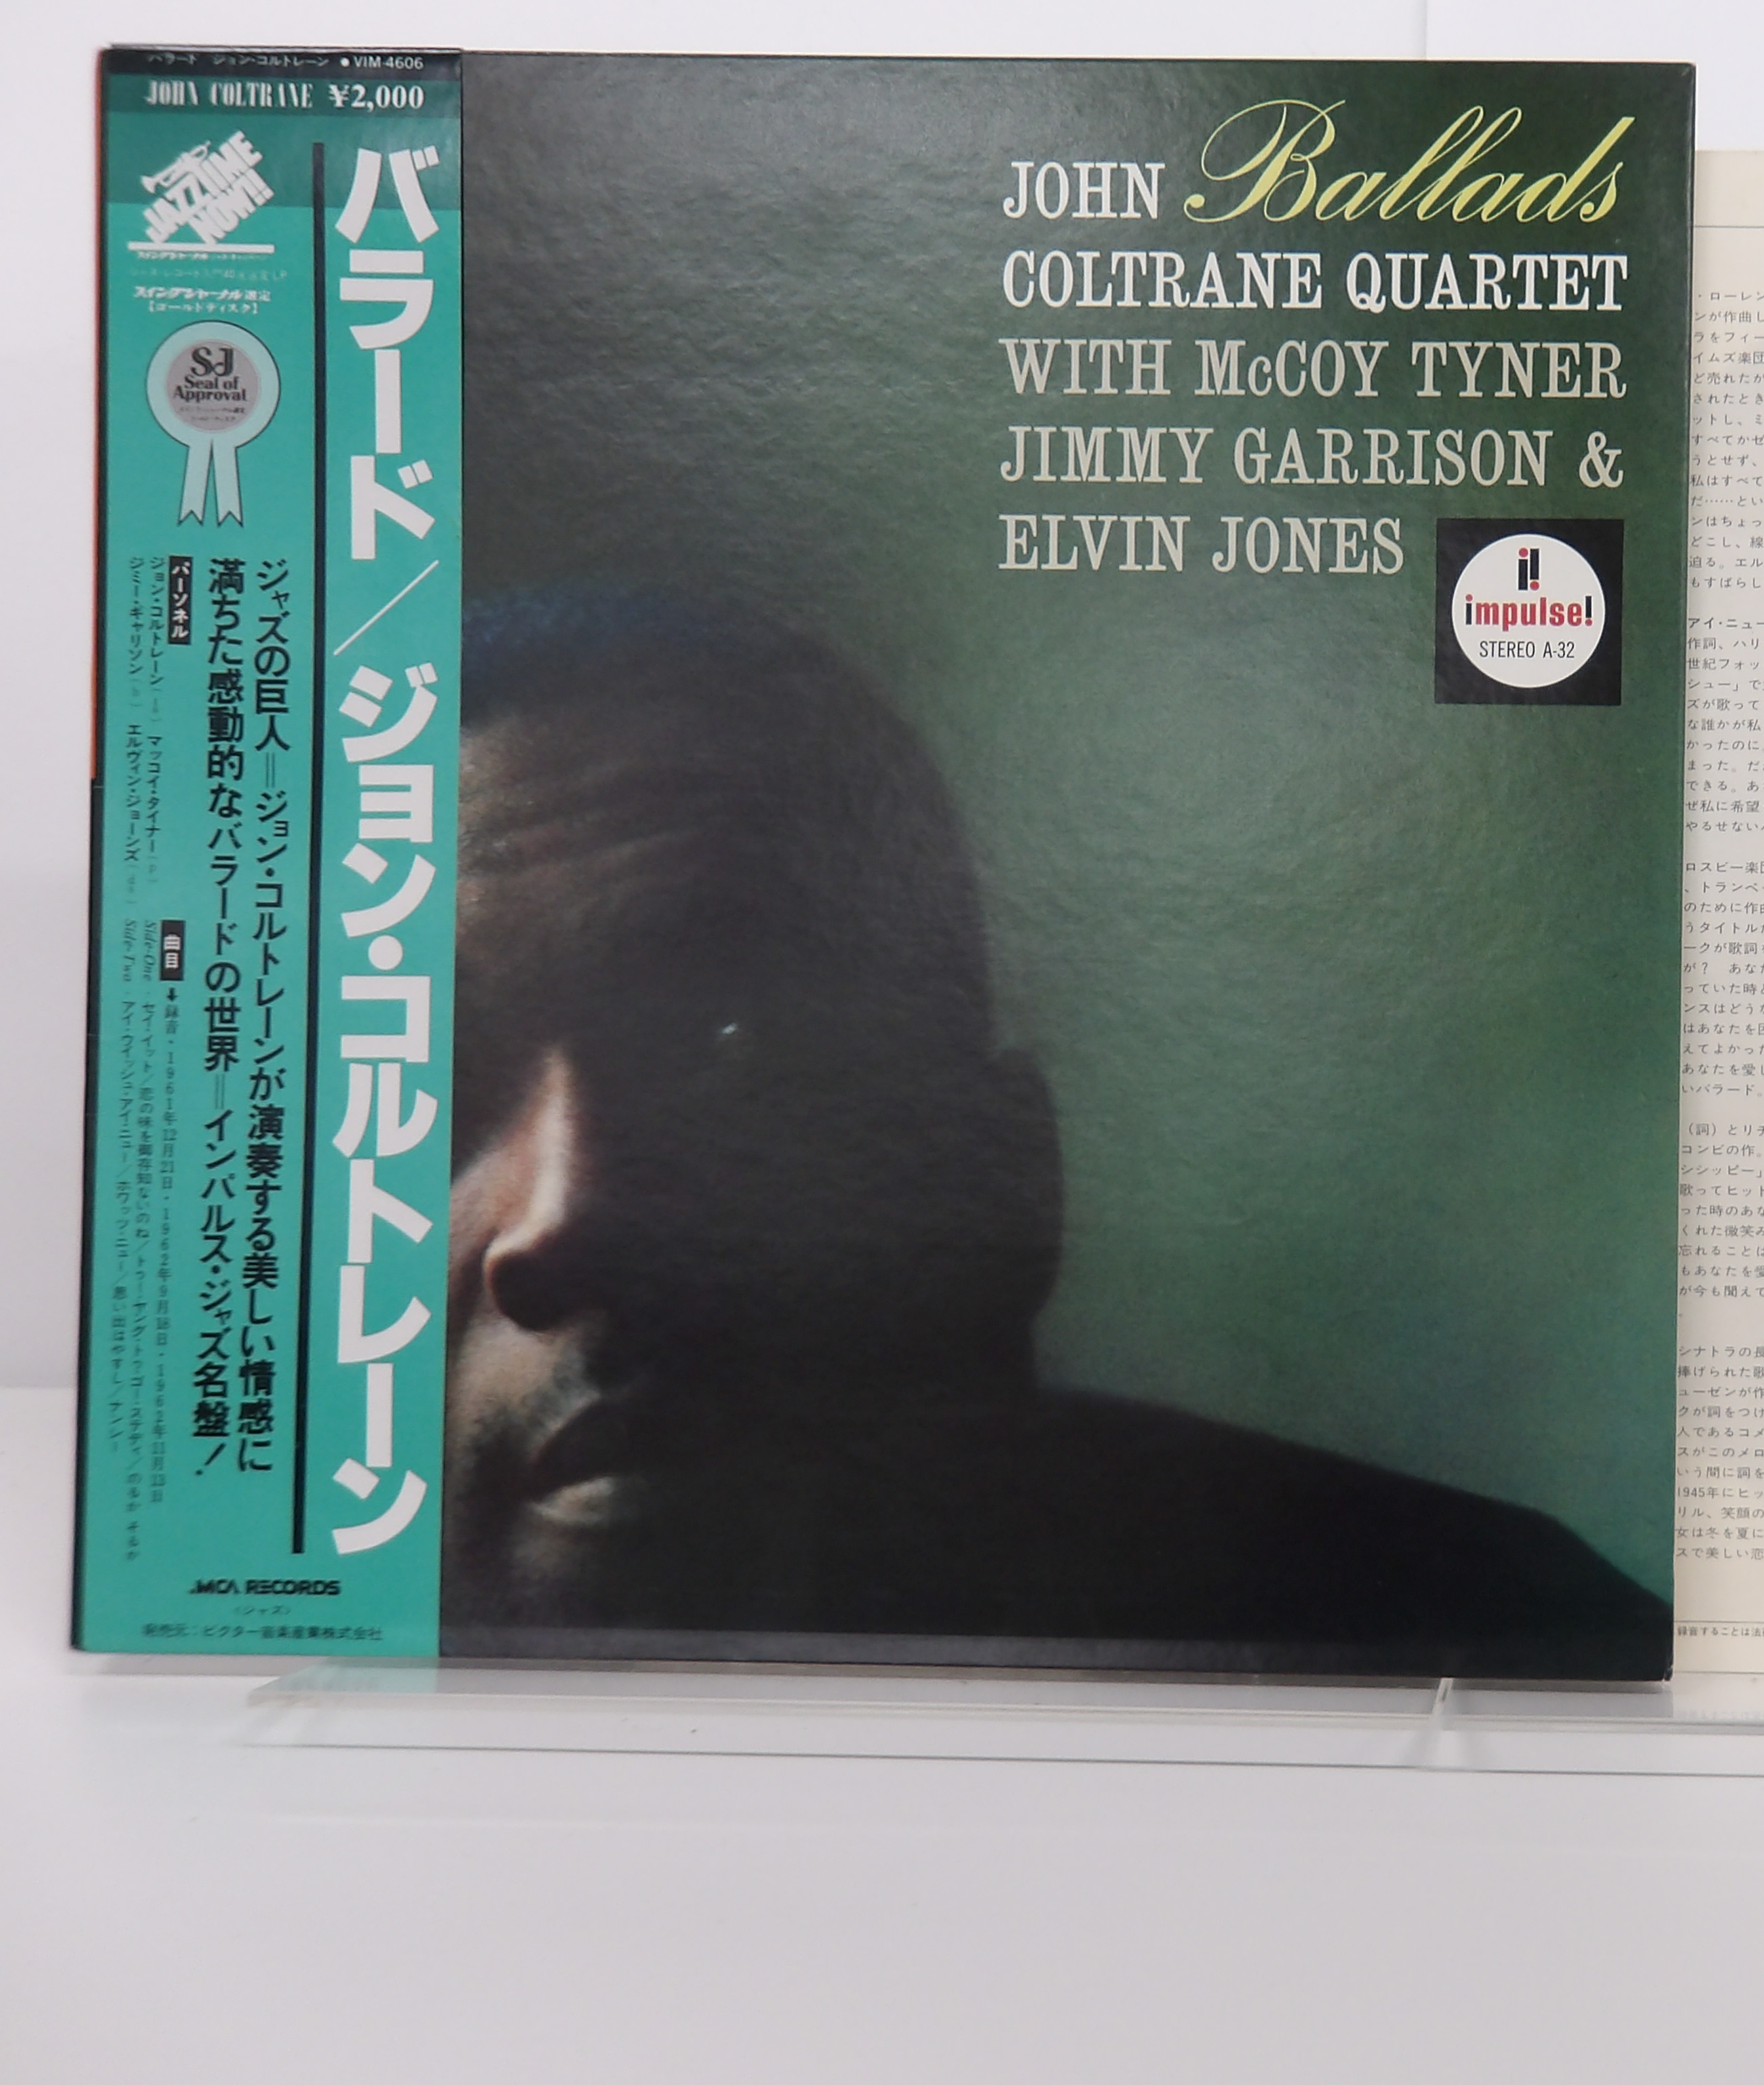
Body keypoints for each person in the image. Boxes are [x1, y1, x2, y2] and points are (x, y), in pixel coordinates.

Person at [439, 587, 1668, 1677]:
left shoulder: (1512, 1643)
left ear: (1008, 1180)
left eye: (726, 1043)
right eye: (443, 1084)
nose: (569, 1215)